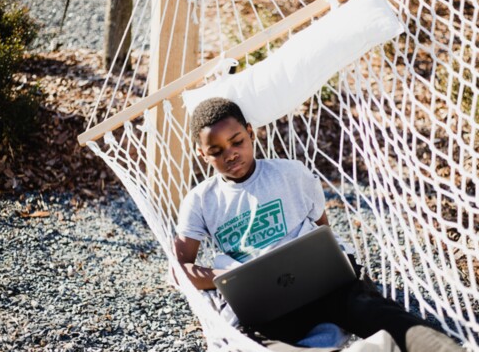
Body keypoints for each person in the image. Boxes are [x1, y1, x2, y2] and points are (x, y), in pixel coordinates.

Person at [174, 97, 463, 352]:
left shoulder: (290, 173)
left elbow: (322, 232)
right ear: (203, 155)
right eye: (216, 151)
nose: (230, 154)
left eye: (237, 141)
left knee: (375, 311)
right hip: (265, 307)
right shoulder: (201, 200)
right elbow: (181, 268)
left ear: (251, 133)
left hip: (323, 288)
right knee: (252, 345)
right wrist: (228, 276)